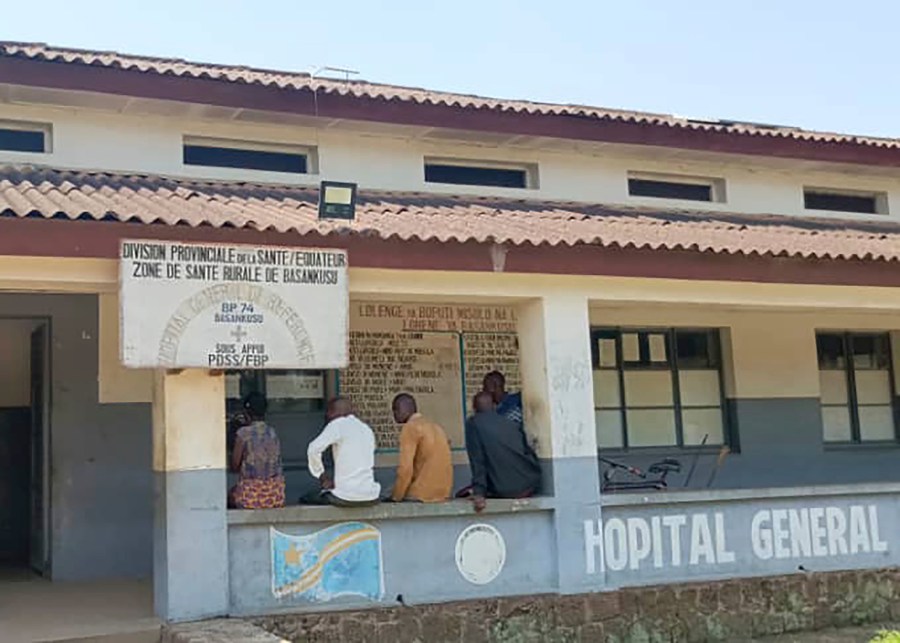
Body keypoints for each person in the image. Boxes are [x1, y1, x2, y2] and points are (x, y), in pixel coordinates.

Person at [465, 391, 542, 512]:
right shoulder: (511, 424)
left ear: (474, 409)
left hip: (507, 490)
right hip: (531, 483)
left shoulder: (474, 424)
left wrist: (479, 493)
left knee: (462, 493)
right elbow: (527, 451)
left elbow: (478, 461)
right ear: (495, 406)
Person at [305, 397, 381, 507]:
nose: (327, 416)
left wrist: (322, 476)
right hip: (371, 495)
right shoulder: (367, 429)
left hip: (346, 496)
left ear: (335, 411)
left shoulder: (337, 424)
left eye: (329, 411)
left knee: (307, 498)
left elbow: (313, 449)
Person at [389, 393, 453, 503]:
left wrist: (396, 496)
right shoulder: (436, 427)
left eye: (396, 409)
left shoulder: (410, 427)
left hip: (420, 494)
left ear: (407, 408)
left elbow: (405, 470)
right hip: (443, 493)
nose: (394, 414)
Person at [229, 392, 285, 509]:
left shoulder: (243, 434)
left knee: (230, 496)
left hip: (251, 497)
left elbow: (234, 466)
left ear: (246, 412)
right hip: (275, 496)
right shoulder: (272, 432)